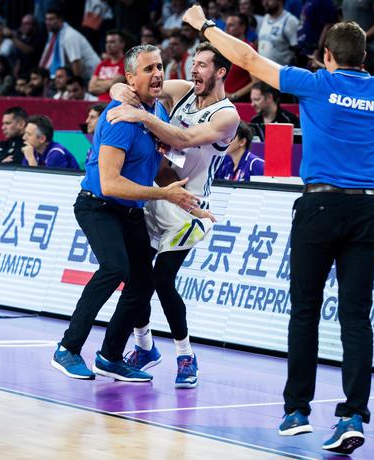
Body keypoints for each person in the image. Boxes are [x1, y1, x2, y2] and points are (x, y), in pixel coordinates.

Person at [182, 6, 374, 454]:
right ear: (364, 57)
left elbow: (250, 60)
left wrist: (204, 25)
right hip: (369, 209)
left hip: (320, 206)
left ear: (327, 55)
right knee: (355, 317)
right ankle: (353, 414)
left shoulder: (317, 83)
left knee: (305, 311)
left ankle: (297, 411)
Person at [50, 44, 198, 382]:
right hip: (98, 205)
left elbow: (156, 166)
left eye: (160, 66)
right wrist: (164, 195)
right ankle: (68, 348)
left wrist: (184, 195)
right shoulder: (119, 118)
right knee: (114, 267)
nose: (158, 74)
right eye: (148, 69)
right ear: (131, 78)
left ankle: (111, 356)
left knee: (142, 283)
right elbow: (111, 183)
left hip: (130, 211)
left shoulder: (156, 111)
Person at [105, 41, 240, 388]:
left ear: (221, 72)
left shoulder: (227, 116)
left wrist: (142, 115)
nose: (193, 70)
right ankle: (144, 346)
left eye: (203, 65)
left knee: (162, 280)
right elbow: (129, 86)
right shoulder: (181, 91)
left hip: (188, 207)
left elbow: (182, 139)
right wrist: (121, 89)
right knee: (136, 281)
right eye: (193, 63)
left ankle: (185, 356)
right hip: (156, 196)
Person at [88, 30, 126, 102]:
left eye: (112, 42)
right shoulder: (102, 64)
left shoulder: (126, 63)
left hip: (116, 104)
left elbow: (113, 84)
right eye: (107, 42)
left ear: (122, 44)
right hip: (99, 105)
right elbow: (91, 87)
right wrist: (108, 85)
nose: (108, 45)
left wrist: (98, 83)